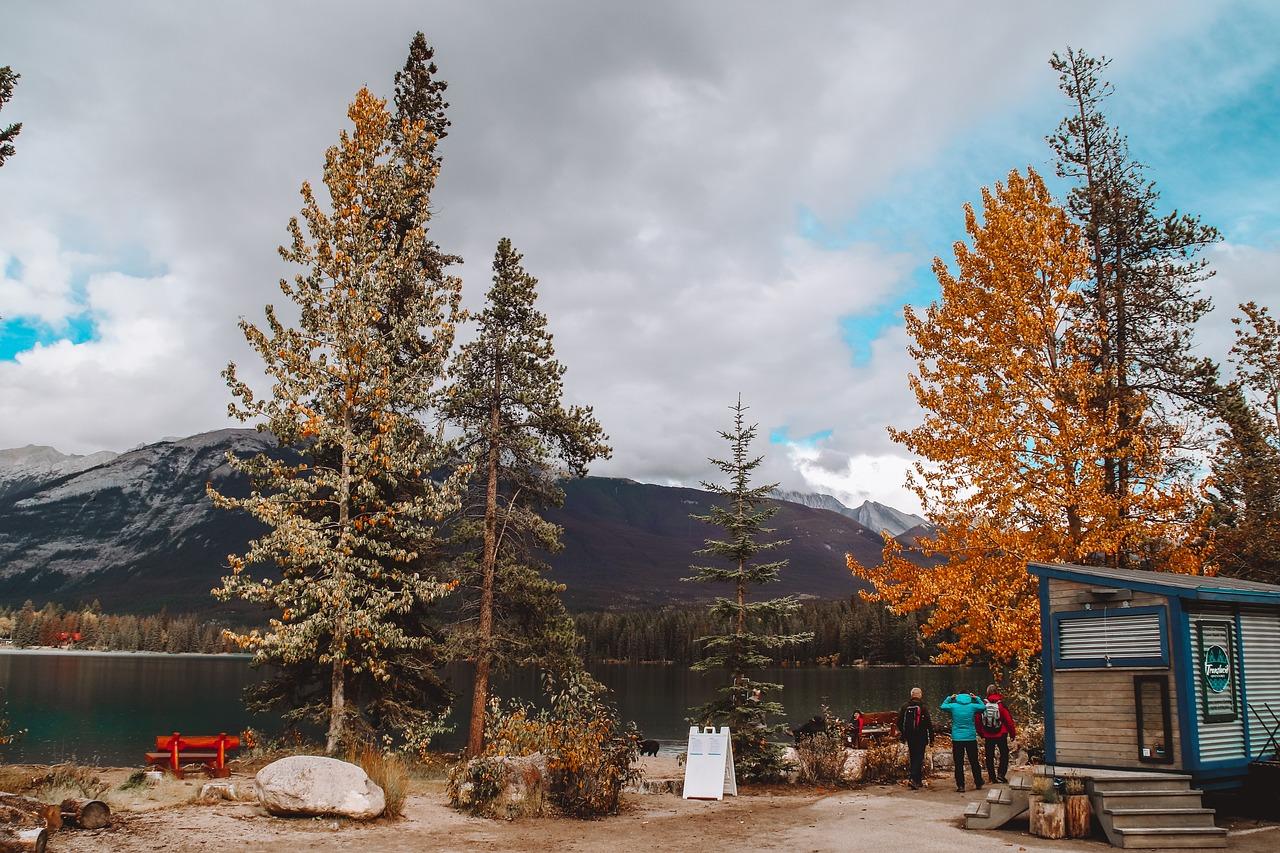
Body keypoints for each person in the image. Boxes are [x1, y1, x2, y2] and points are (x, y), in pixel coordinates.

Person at [940, 691, 984, 792]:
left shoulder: (953, 706)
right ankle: (978, 782)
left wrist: (950, 697)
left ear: (958, 697)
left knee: (958, 763)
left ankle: (960, 785)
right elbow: (983, 707)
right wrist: (976, 698)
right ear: (969, 696)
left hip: (957, 738)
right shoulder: (973, 706)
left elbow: (943, 706)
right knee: (974, 761)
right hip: (970, 738)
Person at [976, 683, 1017, 783]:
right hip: (1001, 733)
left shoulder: (983, 705)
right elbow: (1009, 721)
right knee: (1004, 754)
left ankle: (992, 777)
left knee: (989, 755)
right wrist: (1012, 734)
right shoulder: (1001, 705)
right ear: (996, 691)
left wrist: (981, 732)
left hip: (988, 734)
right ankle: (1001, 774)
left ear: (987, 692)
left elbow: (977, 720)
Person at [897, 688, 933, 790]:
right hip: (921, 736)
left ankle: (918, 781)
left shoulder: (905, 706)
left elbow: (899, 722)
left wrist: (904, 733)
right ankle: (913, 778)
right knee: (919, 757)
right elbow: (929, 724)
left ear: (911, 695)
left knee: (913, 757)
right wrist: (931, 738)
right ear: (920, 695)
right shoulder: (923, 707)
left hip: (910, 736)